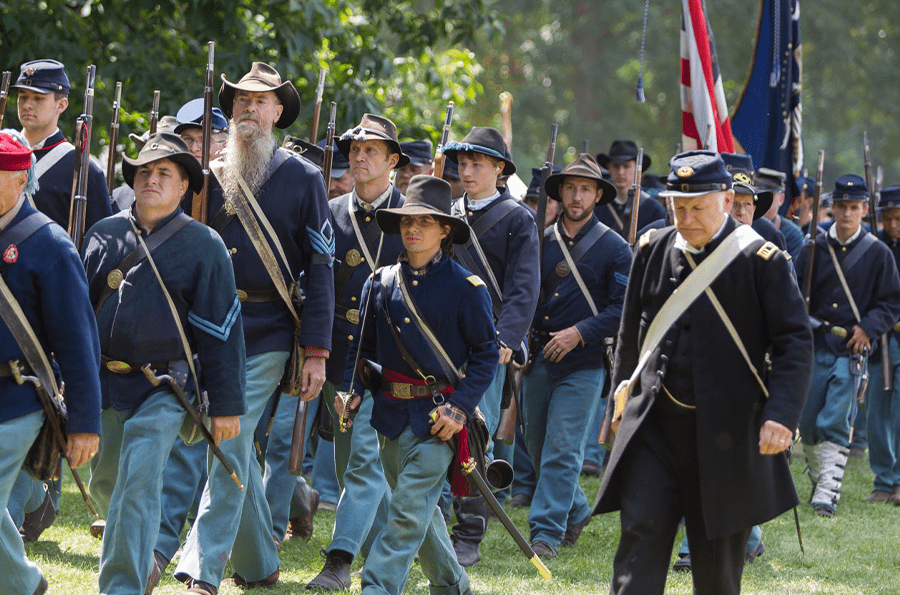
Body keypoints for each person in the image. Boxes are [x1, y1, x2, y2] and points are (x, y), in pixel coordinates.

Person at [594, 150, 813, 595]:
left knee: (716, 573)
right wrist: (620, 399)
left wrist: (782, 415)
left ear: (728, 200)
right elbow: (632, 331)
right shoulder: (652, 249)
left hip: (727, 435)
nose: (687, 217)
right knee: (638, 547)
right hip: (653, 427)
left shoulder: (762, 260)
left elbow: (794, 342)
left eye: (698, 206)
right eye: (679, 206)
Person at [171, 62, 335, 594]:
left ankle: (201, 568)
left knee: (226, 438)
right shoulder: (211, 174)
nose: (248, 107)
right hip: (214, 328)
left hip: (269, 329)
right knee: (233, 445)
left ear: (278, 112)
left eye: (260, 100)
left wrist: (315, 350)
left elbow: (322, 268)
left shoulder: (304, 178)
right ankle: (261, 561)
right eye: (241, 99)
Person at [81, 132, 246, 595]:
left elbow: (221, 332)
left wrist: (226, 404)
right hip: (104, 384)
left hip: (165, 387)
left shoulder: (204, 244)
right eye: (144, 172)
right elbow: (75, 320)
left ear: (182, 187)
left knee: (136, 485)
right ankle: (133, 552)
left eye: (164, 174)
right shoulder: (103, 234)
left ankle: (121, 587)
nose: (151, 180)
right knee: (109, 485)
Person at [336, 174, 498, 595]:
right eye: (408, 220)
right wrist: (350, 389)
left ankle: (376, 587)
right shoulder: (381, 282)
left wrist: (459, 408)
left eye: (424, 222)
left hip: (438, 418)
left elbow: (484, 355)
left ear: (444, 230)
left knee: (407, 511)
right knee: (419, 515)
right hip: (388, 417)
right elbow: (361, 348)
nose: (412, 229)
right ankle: (453, 585)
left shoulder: (467, 288)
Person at [306, 113, 408, 591]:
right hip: (338, 357)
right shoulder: (330, 212)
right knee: (354, 464)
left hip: (388, 361)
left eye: (371, 150)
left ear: (393, 161)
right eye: (355, 149)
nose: (360, 157)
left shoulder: (415, 216)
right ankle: (395, 553)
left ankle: (339, 560)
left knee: (364, 462)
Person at [0, 130, 101, 595]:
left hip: (20, 397)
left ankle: (24, 584)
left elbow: (78, 342)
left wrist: (84, 423)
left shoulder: (48, 243)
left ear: (22, 180)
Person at [522, 153, 631, 559]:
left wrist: (579, 333)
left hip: (583, 364)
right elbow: (524, 298)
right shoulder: (539, 240)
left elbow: (622, 311)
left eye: (585, 188)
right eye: (570, 187)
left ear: (597, 195)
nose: (576, 195)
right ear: (560, 192)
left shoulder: (615, 249)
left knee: (562, 449)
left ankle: (545, 534)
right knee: (535, 445)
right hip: (538, 357)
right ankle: (578, 510)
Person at [442, 126, 540, 567]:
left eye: (477, 163)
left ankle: (469, 533)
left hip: (487, 345)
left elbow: (523, 288)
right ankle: (437, 520)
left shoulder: (518, 218)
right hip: (440, 343)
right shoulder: (446, 212)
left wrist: (506, 338)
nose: (466, 170)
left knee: (474, 438)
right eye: (462, 163)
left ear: (499, 169)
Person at [795, 175, 900, 517]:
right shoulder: (812, 248)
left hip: (852, 349)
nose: (846, 214)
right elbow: (795, 294)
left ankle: (826, 494)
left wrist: (868, 329)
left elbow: (889, 302)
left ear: (865, 211)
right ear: (833, 207)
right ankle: (820, 477)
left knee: (836, 420)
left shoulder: (878, 253)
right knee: (808, 422)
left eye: (854, 208)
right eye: (841, 206)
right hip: (815, 343)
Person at [10, 59, 112, 230]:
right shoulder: (5, 153)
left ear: (61, 105)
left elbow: (99, 245)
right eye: (23, 96)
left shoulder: (82, 169)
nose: (27, 105)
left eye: (38, 98)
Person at [865, 185, 900, 504]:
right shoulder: (874, 248)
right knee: (876, 415)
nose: (893, 226)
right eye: (887, 219)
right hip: (882, 340)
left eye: (899, 219)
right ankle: (883, 481)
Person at [595, 139, 666, 238]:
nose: (620, 172)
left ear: (637, 169)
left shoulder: (654, 210)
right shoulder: (596, 206)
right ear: (608, 167)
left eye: (626, 166)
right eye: (616, 166)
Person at [757, 167, 804, 259]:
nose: (764, 200)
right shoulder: (745, 224)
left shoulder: (792, 234)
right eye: (759, 194)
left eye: (770, 195)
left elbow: (790, 271)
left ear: (781, 199)